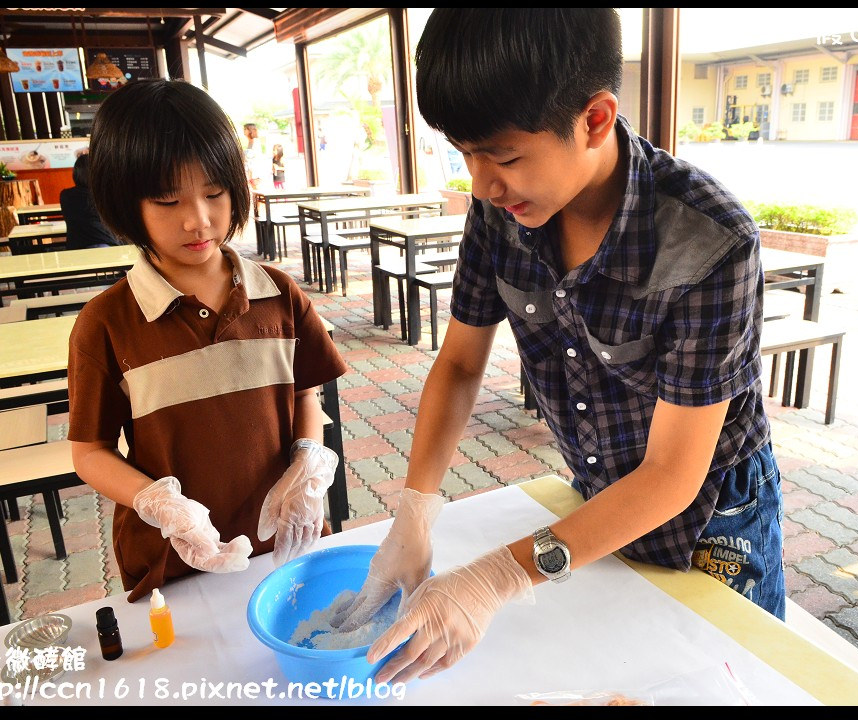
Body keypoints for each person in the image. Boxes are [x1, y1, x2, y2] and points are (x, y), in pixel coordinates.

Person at [334, 8, 785, 684]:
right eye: (465, 153)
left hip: (711, 516)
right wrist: (415, 512)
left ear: (596, 119)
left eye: (504, 156)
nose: (482, 183)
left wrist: (494, 578)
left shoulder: (708, 243)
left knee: (724, 680)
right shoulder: (502, 209)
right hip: (597, 491)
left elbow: (671, 475)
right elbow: (459, 364)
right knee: (611, 673)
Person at [68, 79, 349, 602]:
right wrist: (156, 502)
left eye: (215, 193)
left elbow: (305, 393)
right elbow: (90, 451)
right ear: (126, 205)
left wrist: (309, 458)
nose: (198, 220)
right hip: (172, 566)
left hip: (281, 546)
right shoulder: (105, 323)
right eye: (167, 200)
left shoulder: (278, 294)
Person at [59, 153, 119, 250]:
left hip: (76, 250)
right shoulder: (105, 195)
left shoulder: (65, 196)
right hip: (109, 246)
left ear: (76, 173)